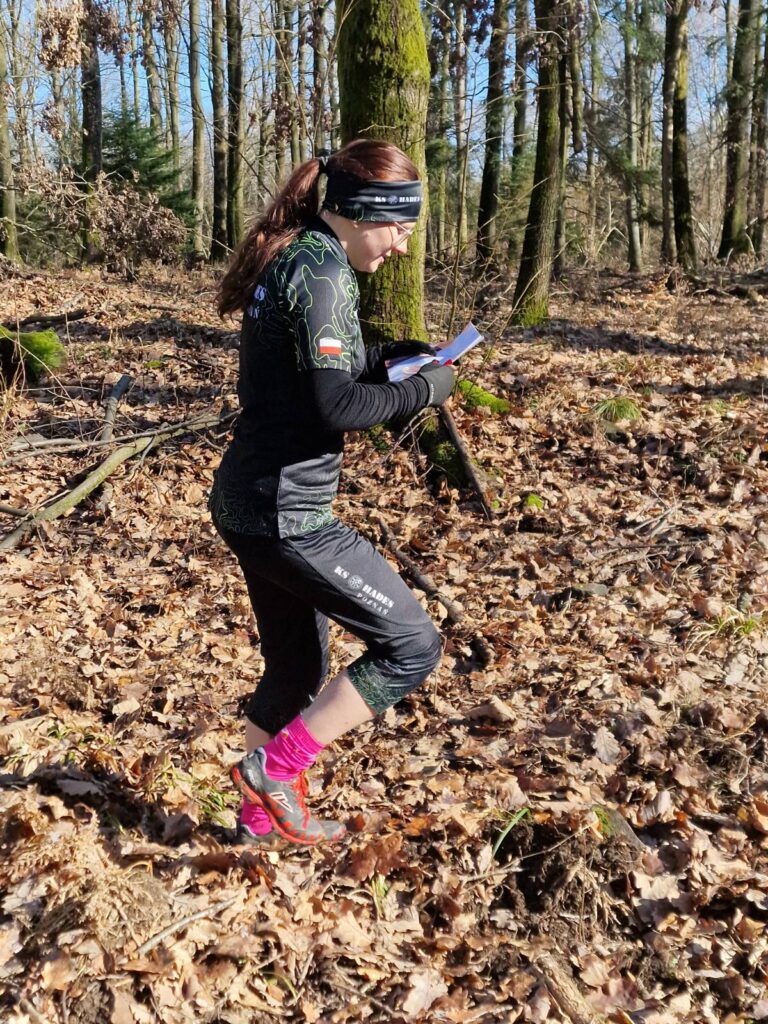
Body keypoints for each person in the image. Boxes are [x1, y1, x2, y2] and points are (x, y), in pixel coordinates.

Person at [210, 139, 455, 848]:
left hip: (251, 501)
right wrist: (423, 390)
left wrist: (387, 357)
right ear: (365, 212)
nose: (402, 247)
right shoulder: (322, 272)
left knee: (295, 669)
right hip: (287, 514)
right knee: (411, 645)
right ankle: (275, 769)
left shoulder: (303, 256)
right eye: (399, 228)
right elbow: (336, 406)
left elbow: (312, 373)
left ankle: (256, 828)